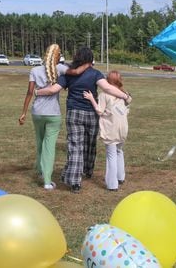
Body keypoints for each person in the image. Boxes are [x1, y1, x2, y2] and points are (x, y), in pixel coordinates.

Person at [35, 47, 131, 193]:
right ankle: (87, 170)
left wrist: (37, 91)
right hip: (91, 114)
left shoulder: (69, 74)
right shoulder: (95, 74)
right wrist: (125, 96)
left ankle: (75, 181)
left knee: (75, 146)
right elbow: (108, 88)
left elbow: (53, 90)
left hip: (74, 113)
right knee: (89, 144)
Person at [18, 44, 88, 191]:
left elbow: (30, 92)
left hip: (37, 112)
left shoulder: (34, 70)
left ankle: (40, 171)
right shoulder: (60, 68)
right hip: (53, 113)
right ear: (57, 56)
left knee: (40, 142)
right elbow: (75, 72)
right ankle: (47, 181)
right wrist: (88, 63)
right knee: (49, 147)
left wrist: (23, 112)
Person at [83, 71, 130, 191]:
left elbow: (99, 110)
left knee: (111, 155)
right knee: (119, 151)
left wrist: (92, 98)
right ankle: (121, 177)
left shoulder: (104, 95)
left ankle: (112, 184)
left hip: (111, 128)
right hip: (123, 127)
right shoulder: (124, 94)